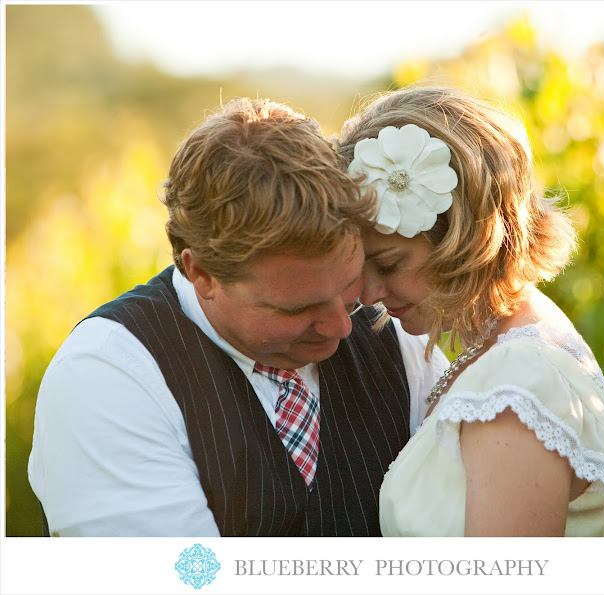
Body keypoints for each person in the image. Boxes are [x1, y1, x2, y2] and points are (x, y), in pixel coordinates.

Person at [28, 98, 448, 537]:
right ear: (201, 274)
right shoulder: (108, 376)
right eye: (296, 308)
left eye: (347, 290)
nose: (341, 328)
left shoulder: (397, 340)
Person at [335, 86, 604, 537]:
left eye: (390, 264)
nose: (368, 293)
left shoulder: (518, 385)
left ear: (465, 238)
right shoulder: (509, 347)